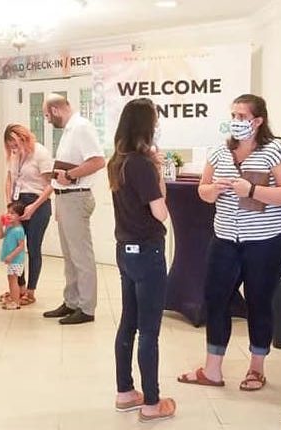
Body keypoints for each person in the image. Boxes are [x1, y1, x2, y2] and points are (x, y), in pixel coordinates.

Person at [177, 94, 281, 391]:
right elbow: (203, 191)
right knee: (216, 298)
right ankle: (212, 370)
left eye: (243, 117)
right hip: (225, 238)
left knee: (259, 300)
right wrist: (214, 190)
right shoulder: (220, 152)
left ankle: (256, 368)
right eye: (233, 115)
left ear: (258, 121)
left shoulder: (276, 150)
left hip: (268, 239)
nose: (236, 122)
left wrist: (253, 190)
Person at [108, 98, 176, 423]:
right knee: (149, 330)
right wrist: (157, 171)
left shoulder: (117, 161)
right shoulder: (140, 164)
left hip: (125, 251)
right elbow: (159, 211)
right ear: (146, 126)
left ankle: (125, 392)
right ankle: (151, 402)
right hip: (148, 252)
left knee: (129, 323)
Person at [41, 93, 105, 325]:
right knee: (69, 256)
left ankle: (86, 308)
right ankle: (72, 301)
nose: (48, 120)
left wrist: (69, 175)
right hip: (65, 197)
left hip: (76, 198)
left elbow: (98, 161)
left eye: (47, 115)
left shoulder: (81, 127)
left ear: (56, 110)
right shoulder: (70, 130)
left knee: (81, 256)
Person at [3, 123, 54, 305]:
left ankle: (31, 291)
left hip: (38, 203)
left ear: (24, 138)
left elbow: (51, 185)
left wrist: (33, 207)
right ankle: (19, 287)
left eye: (15, 143)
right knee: (15, 246)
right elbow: (10, 179)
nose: (13, 148)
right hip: (18, 203)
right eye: (10, 145)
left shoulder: (40, 152)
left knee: (33, 247)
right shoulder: (14, 155)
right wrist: (10, 204)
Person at [0, 201, 27, 311]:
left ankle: (16, 302)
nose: (9, 215)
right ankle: (13, 299)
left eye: (12, 213)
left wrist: (11, 256)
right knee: (11, 280)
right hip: (12, 260)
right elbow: (0, 235)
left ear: (20, 216)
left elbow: (21, 246)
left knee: (13, 281)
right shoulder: (10, 227)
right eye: (8, 212)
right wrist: (1, 223)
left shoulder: (19, 230)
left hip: (16, 260)